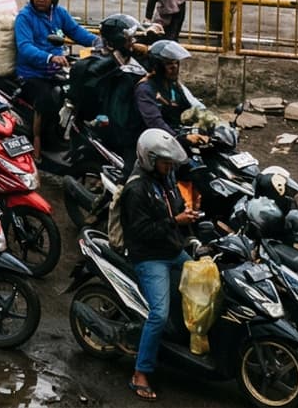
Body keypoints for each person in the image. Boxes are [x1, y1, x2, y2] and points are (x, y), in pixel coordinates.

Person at [120, 129, 195, 400]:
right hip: (149, 257)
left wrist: (185, 217)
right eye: (165, 162)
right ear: (150, 159)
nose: (170, 167)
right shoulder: (136, 189)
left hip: (173, 249)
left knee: (205, 285)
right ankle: (140, 372)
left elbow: (174, 207)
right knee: (159, 314)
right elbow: (141, 232)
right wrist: (176, 222)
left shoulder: (164, 179)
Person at [14, 0, 97, 154]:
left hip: (57, 71)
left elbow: (77, 32)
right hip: (32, 74)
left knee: (81, 91)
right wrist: (50, 57)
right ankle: (38, 142)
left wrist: (100, 42)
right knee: (48, 97)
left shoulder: (59, 14)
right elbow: (25, 47)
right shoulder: (25, 17)